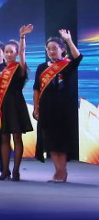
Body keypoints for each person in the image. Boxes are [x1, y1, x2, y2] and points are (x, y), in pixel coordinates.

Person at [33, 29, 83, 183]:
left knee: (62, 141)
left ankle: (63, 171)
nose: (51, 51)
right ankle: (58, 171)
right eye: (49, 49)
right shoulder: (42, 67)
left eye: (55, 48)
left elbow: (78, 57)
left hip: (64, 109)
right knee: (51, 141)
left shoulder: (68, 65)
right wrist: (36, 108)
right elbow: (36, 89)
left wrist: (68, 39)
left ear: (62, 49)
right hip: (47, 108)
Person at [0, 24, 33, 181]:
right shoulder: (0, 69)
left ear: (16, 53)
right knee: (3, 138)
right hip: (2, 105)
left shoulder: (20, 67)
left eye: (11, 52)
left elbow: (23, 53)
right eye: (6, 52)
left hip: (16, 104)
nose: (8, 54)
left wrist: (22, 37)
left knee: (17, 137)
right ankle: (5, 171)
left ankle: (16, 170)